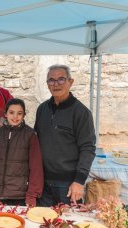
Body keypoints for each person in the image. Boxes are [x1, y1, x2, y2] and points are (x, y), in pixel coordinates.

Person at [34, 64, 96, 207]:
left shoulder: (81, 113)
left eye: (61, 79)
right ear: (47, 84)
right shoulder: (42, 109)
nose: (56, 84)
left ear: (70, 82)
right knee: (41, 224)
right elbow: (35, 140)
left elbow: (88, 148)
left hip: (68, 185)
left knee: (68, 225)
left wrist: (79, 181)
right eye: (51, 80)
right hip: (43, 182)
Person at [0, 98, 44, 207]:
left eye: (19, 113)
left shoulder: (30, 135)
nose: (15, 117)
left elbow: (36, 167)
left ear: (24, 115)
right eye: (11, 113)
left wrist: (32, 195)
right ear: (5, 114)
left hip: (20, 196)